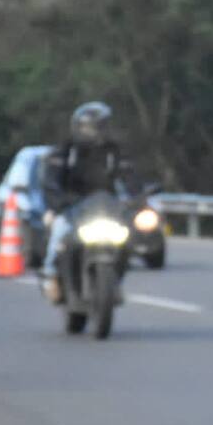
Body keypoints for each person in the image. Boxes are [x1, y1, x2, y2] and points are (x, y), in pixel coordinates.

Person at [39, 101, 132, 301]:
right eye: (88, 127)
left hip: (106, 208)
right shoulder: (65, 150)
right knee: (59, 233)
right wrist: (58, 202)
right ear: (78, 127)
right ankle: (51, 277)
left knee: (127, 238)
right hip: (72, 206)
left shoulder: (114, 151)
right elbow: (51, 179)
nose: (93, 132)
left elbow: (129, 177)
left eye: (98, 126)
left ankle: (115, 280)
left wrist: (136, 198)